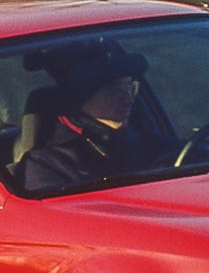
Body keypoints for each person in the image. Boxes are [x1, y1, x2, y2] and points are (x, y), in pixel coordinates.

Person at [16, 43, 159, 191]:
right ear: (80, 97)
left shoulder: (148, 143)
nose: (128, 99)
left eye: (130, 87)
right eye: (114, 90)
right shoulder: (44, 166)